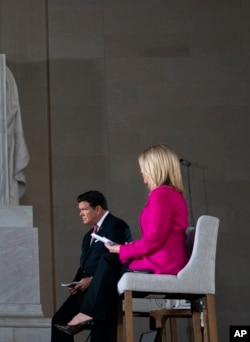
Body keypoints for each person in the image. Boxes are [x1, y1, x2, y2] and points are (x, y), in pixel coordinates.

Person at [58, 144, 190, 339]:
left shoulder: (161, 194)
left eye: (144, 167)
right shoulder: (171, 194)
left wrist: (122, 250)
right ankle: (92, 320)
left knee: (108, 261)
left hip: (163, 262)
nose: (141, 172)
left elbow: (154, 240)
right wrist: (127, 248)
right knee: (109, 266)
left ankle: (88, 317)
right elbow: (159, 237)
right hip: (165, 257)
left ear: (155, 168)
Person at [51, 190, 132, 342]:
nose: (80, 213)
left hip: (105, 289)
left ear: (98, 209)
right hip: (84, 291)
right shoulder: (88, 235)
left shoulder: (117, 226)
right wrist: (75, 282)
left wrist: (93, 279)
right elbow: (84, 266)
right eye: (79, 210)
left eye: (84, 209)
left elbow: (117, 259)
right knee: (59, 321)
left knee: (101, 333)